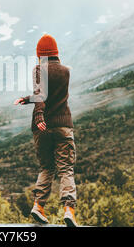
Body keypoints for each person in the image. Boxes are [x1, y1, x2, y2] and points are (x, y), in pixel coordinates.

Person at [14, 34, 78, 227]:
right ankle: (68, 210)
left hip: (42, 128)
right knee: (66, 169)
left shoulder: (38, 69)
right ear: (56, 52)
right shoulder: (66, 71)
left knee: (46, 168)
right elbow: (46, 95)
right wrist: (28, 99)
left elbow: (41, 95)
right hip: (63, 125)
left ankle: (38, 207)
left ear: (40, 54)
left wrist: (39, 115)